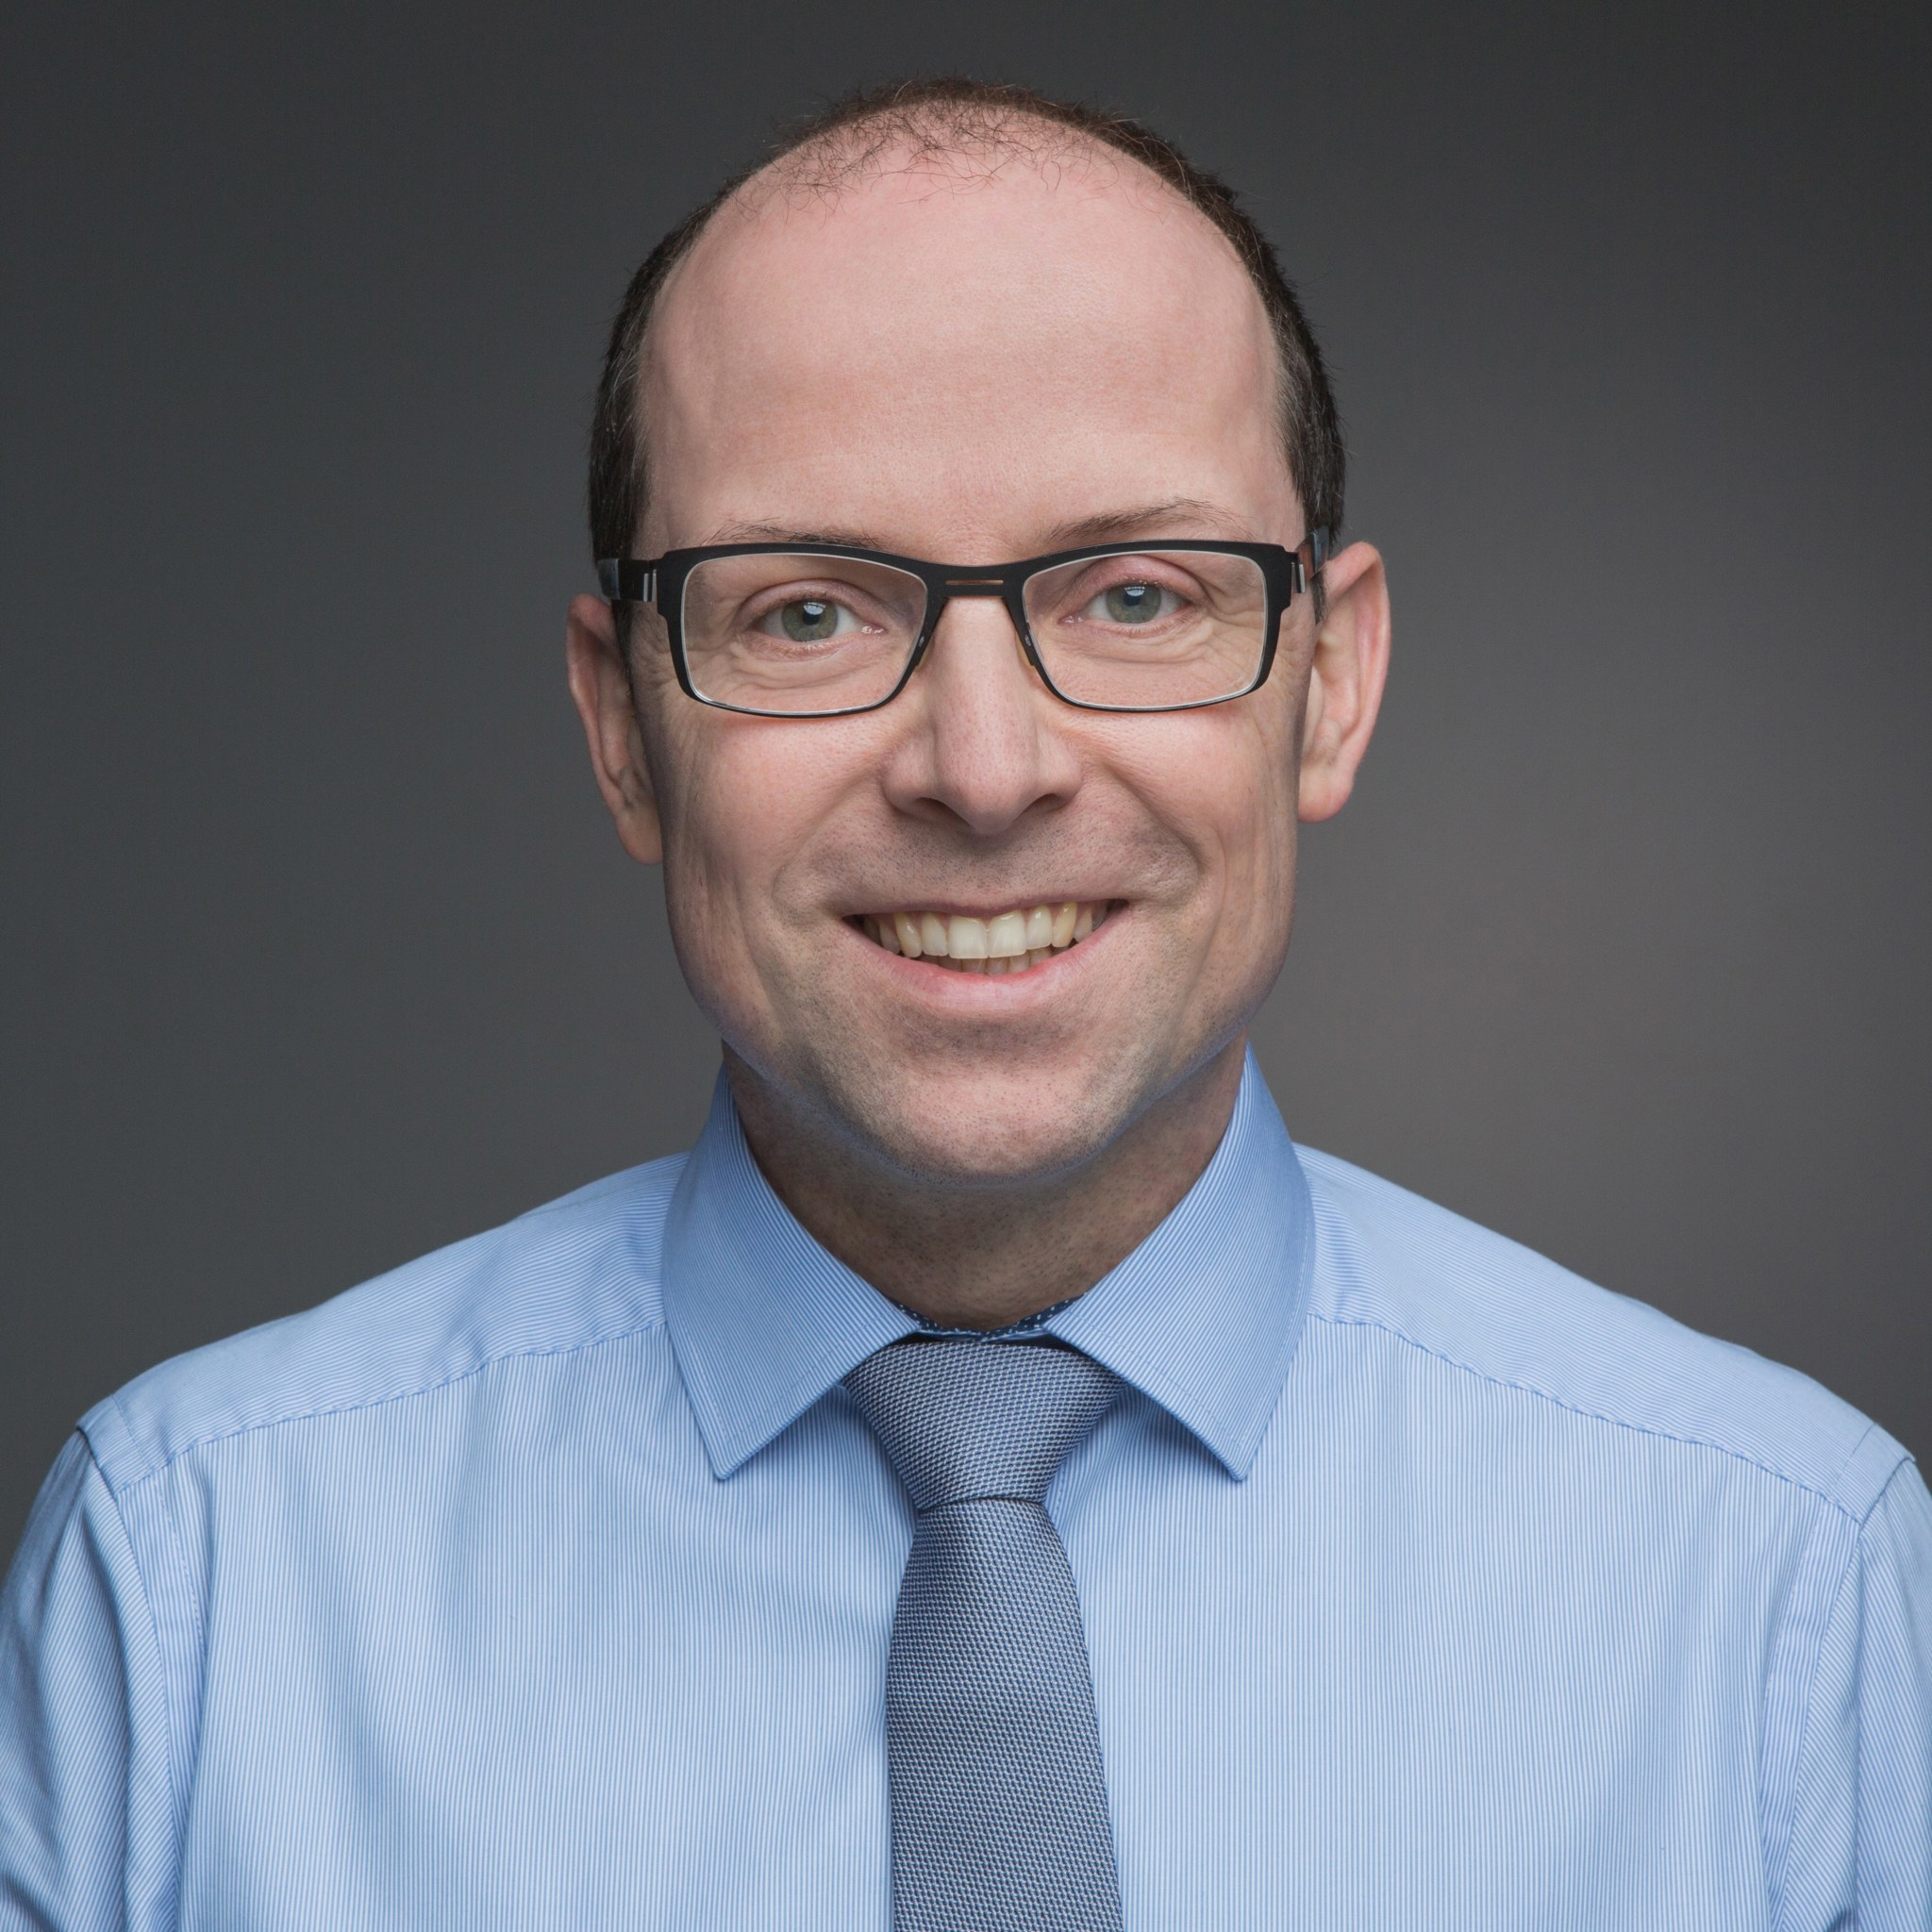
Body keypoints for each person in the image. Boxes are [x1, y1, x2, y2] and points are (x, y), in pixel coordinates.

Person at [3, 76, 1927, 1931]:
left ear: (1328, 680)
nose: (985, 767)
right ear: (619, 730)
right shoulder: (191, 1579)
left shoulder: (1778, 1584)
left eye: (1139, 595)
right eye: (807, 610)